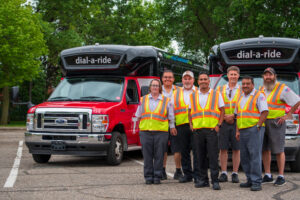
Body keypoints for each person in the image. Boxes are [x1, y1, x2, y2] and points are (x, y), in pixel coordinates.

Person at [260, 67, 300, 186]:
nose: (268, 77)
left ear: (275, 77)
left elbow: (297, 101)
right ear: (263, 77)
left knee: (278, 150)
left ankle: (281, 176)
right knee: (265, 149)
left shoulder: (283, 88)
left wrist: (288, 115)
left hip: (276, 123)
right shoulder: (261, 89)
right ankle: (268, 175)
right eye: (266, 75)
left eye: (270, 75)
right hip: (263, 122)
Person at [135, 79, 177, 184]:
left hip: (161, 132)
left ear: (160, 88)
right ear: (150, 87)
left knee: (159, 155)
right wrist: (139, 129)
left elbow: (171, 117)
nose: (155, 87)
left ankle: (157, 176)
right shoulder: (143, 99)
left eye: (157, 85)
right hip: (146, 132)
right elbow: (138, 116)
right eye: (153, 85)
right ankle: (148, 177)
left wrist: (172, 127)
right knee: (147, 155)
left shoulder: (166, 100)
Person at [189, 72, 225, 190]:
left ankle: (215, 180)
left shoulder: (216, 94)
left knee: (213, 156)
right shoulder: (193, 95)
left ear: (209, 81)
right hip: (198, 130)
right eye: (201, 79)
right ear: (198, 82)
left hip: (211, 130)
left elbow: (222, 110)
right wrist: (191, 124)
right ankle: (203, 180)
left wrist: (219, 124)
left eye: (205, 79)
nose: (203, 81)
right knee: (200, 156)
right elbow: (190, 111)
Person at [235, 76, 268, 191]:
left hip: (254, 129)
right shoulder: (240, 97)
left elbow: (264, 112)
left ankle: (256, 181)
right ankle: (249, 179)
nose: (245, 86)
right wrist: (237, 130)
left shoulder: (259, 95)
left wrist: (258, 126)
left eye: (247, 83)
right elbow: (238, 115)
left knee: (254, 156)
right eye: (243, 84)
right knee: (244, 157)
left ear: (252, 84)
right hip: (243, 130)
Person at [171, 70, 200, 183]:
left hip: (196, 125)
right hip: (181, 125)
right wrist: (172, 125)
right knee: (184, 151)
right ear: (182, 80)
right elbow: (171, 110)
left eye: (189, 78)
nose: (187, 81)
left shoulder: (199, 91)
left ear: (193, 80)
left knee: (197, 151)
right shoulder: (176, 92)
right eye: (185, 78)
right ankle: (187, 174)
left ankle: (198, 174)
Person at [217, 66, 241, 183]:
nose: (233, 77)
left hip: (237, 122)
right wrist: (224, 117)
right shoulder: (220, 89)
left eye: (235, 75)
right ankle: (224, 173)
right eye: (231, 74)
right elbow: (216, 105)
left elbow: (244, 106)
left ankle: (235, 173)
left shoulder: (242, 89)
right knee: (223, 148)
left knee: (237, 149)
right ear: (227, 75)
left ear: (238, 76)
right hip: (224, 121)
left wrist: (234, 116)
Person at [161, 69, 183, 180]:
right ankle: (162, 171)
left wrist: (173, 125)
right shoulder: (158, 90)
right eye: (165, 77)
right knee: (163, 149)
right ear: (162, 79)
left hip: (176, 123)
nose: (167, 79)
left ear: (174, 79)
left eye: (170, 77)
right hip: (162, 124)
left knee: (177, 148)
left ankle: (178, 171)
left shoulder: (180, 90)